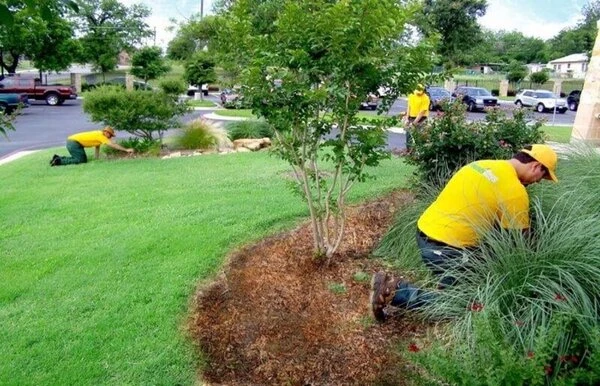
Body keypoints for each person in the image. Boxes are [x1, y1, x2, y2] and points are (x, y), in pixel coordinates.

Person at [371, 144, 559, 322]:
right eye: (542, 177)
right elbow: (519, 241)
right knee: (464, 303)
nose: (537, 183)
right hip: (443, 247)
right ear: (535, 166)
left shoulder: (480, 165)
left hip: (425, 230)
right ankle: (394, 291)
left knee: (476, 268)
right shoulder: (514, 191)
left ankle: (448, 282)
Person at [50, 126, 134, 166]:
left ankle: (57, 158)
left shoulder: (99, 134)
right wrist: (126, 150)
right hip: (74, 143)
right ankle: (59, 162)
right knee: (81, 160)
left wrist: (96, 157)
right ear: (106, 133)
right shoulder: (101, 136)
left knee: (78, 158)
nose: (110, 137)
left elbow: (97, 146)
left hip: (73, 142)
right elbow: (113, 145)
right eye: (111, 135)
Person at [402, 84, 430, 151]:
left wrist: (414, 123)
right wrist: (407, 118)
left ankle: (419, 151)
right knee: (409, 135)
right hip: (411, 117)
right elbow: (409, 107)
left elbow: (422, 112)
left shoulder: (426, 98)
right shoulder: (411, 95)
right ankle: (409, 151)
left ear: (423, 91)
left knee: (419, 136)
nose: (418, 94)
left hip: (421, 119)